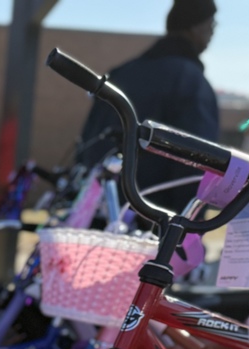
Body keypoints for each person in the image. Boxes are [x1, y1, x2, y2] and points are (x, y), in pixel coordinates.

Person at [76, 0, 219, 211]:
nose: (213, 32)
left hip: (98, 214)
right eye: (212, 23)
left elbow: (88, 140)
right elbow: (197, 162)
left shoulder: (121, 73)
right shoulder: (189, 81)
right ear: (196, 26)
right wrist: (187, 230)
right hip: (154, 223)